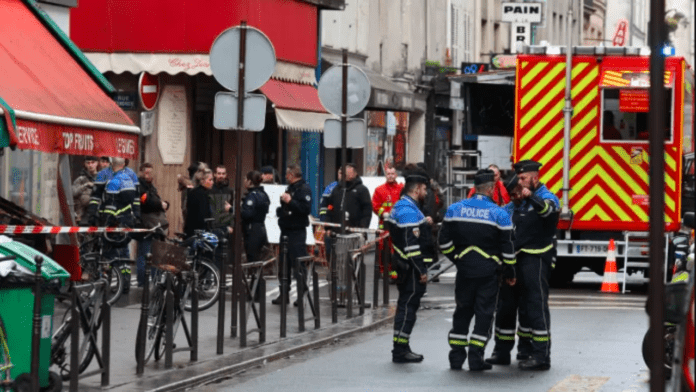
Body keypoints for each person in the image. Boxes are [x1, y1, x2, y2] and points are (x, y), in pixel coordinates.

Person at [439, 169, 516, 371]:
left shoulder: (454, 209)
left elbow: (443, 242)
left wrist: (457, 258)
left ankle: (455, 358)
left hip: (464, 272)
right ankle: (476, 358)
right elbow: (508, 250)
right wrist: (510, 273)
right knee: (484, 315)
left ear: (474, 188)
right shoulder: (499, 214)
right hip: (488, 273)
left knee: (462, 312)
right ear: (491, 189)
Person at [508, 159, 560, 371]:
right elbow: (503, 213)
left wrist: (533, 198)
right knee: (523, 306)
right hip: (520, 258)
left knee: (536, 306)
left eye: (522, 178)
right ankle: (524, 349)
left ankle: (541, 356)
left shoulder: (547, 197)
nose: (519, 182)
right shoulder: (519, 200)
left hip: (537, 258)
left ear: (534, 178)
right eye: (518, 178)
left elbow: (548, 211)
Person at [384, 168, 432, 363]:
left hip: (406, 266)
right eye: (425, 189)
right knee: (407, 309)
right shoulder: (408, 210)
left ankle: (402, 345)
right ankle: (400, 349)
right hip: (410, 269)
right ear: (418, 188)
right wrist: (421, 270)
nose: (426, 193)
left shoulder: (405, 207)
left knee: (406, 307)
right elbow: (411, 245)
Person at [486, 173, 532, 366]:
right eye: (512, 194)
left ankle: (525, 350)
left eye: (517, 193)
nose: (516, 197)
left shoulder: (533, 208)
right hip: (508, 267)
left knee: (527, 311)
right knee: (505, 310)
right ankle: (502, 351)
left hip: (528, 265)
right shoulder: (505, 212)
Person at [101, 157, 141, 294]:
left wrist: (105, 221)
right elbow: (136, 200)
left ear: (112, 165)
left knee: (110, 254)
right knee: (124, 255)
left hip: (115, 223)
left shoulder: (114, 182)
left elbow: (110, 206)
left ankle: (107, 283)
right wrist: (136, 216)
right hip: (127, 221)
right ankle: (125, 284)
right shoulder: (129, 179)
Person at [274, 164, 312, 305]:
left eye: (286, 174)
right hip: (285, 230)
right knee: (283, 263)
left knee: (298, 263)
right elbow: (286, 207)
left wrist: (290, 201)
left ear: (291, 175)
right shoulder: (290, 188)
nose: (285, 177)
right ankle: (283, 294)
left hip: (297, 231)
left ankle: (301, 295)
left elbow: (305, 209)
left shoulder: (304, 189)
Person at [137, 163, 169, 287]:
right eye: (146, 172)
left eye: (150, 172)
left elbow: (155, 200)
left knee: (154, 254)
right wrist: (161, 204)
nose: (149, 175)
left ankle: (155, 279)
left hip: (153, 225)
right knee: (144, 254)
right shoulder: (140, 185)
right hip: (145, 224)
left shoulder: (151, 186)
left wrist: (165, 203)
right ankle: (142, 282)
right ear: (141, 172)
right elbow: (146, 202)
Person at [241, 170, 271, 301]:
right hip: (261, 228)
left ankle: (255, 293)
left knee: (253, 263)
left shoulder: (253, 196)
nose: (243, 181)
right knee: (257, 262)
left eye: (245, 179)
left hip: (253, 229)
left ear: (249, 181)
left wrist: (233, 209)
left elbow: (247, 214)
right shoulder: (264, 194)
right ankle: (257, 292)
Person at [371, 164, 403, 281]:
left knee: (397, 249)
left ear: (396, 175)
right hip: (384, 224)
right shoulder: (379, 190)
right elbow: (375, 205)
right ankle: (384, 271)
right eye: (388, 174)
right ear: (385, 175)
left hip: (398, 223)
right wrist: (383, 213)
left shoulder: (401, 189)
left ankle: (395, 272)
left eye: (392, 174)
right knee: (384, 248)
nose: (390, 176)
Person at [326, 163, 372, 229]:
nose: (347, 174)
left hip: (356, 232)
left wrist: (363, 227)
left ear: (355, 173)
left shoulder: (362, 190)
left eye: (350, 172)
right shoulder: (336, 190)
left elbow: (367, 211)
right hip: (336, 232)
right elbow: (330, 208)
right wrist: (328, 228)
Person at [184, 169, 215, 238]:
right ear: (202, 181)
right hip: (199, 234)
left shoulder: (193, 192)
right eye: (210, 180)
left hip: (190, 231)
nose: (212, 182)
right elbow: (202, 217)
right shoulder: (202, 194)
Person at [72, 156, 98, 223]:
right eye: (88, 163)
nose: (90, 165)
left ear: (97, 163)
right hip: (82, 215)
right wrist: (86, 185)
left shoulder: (101, 178)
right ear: (85, 164)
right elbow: (73, 192)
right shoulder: (81, 179)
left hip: (97, 212)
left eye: (93, 162)